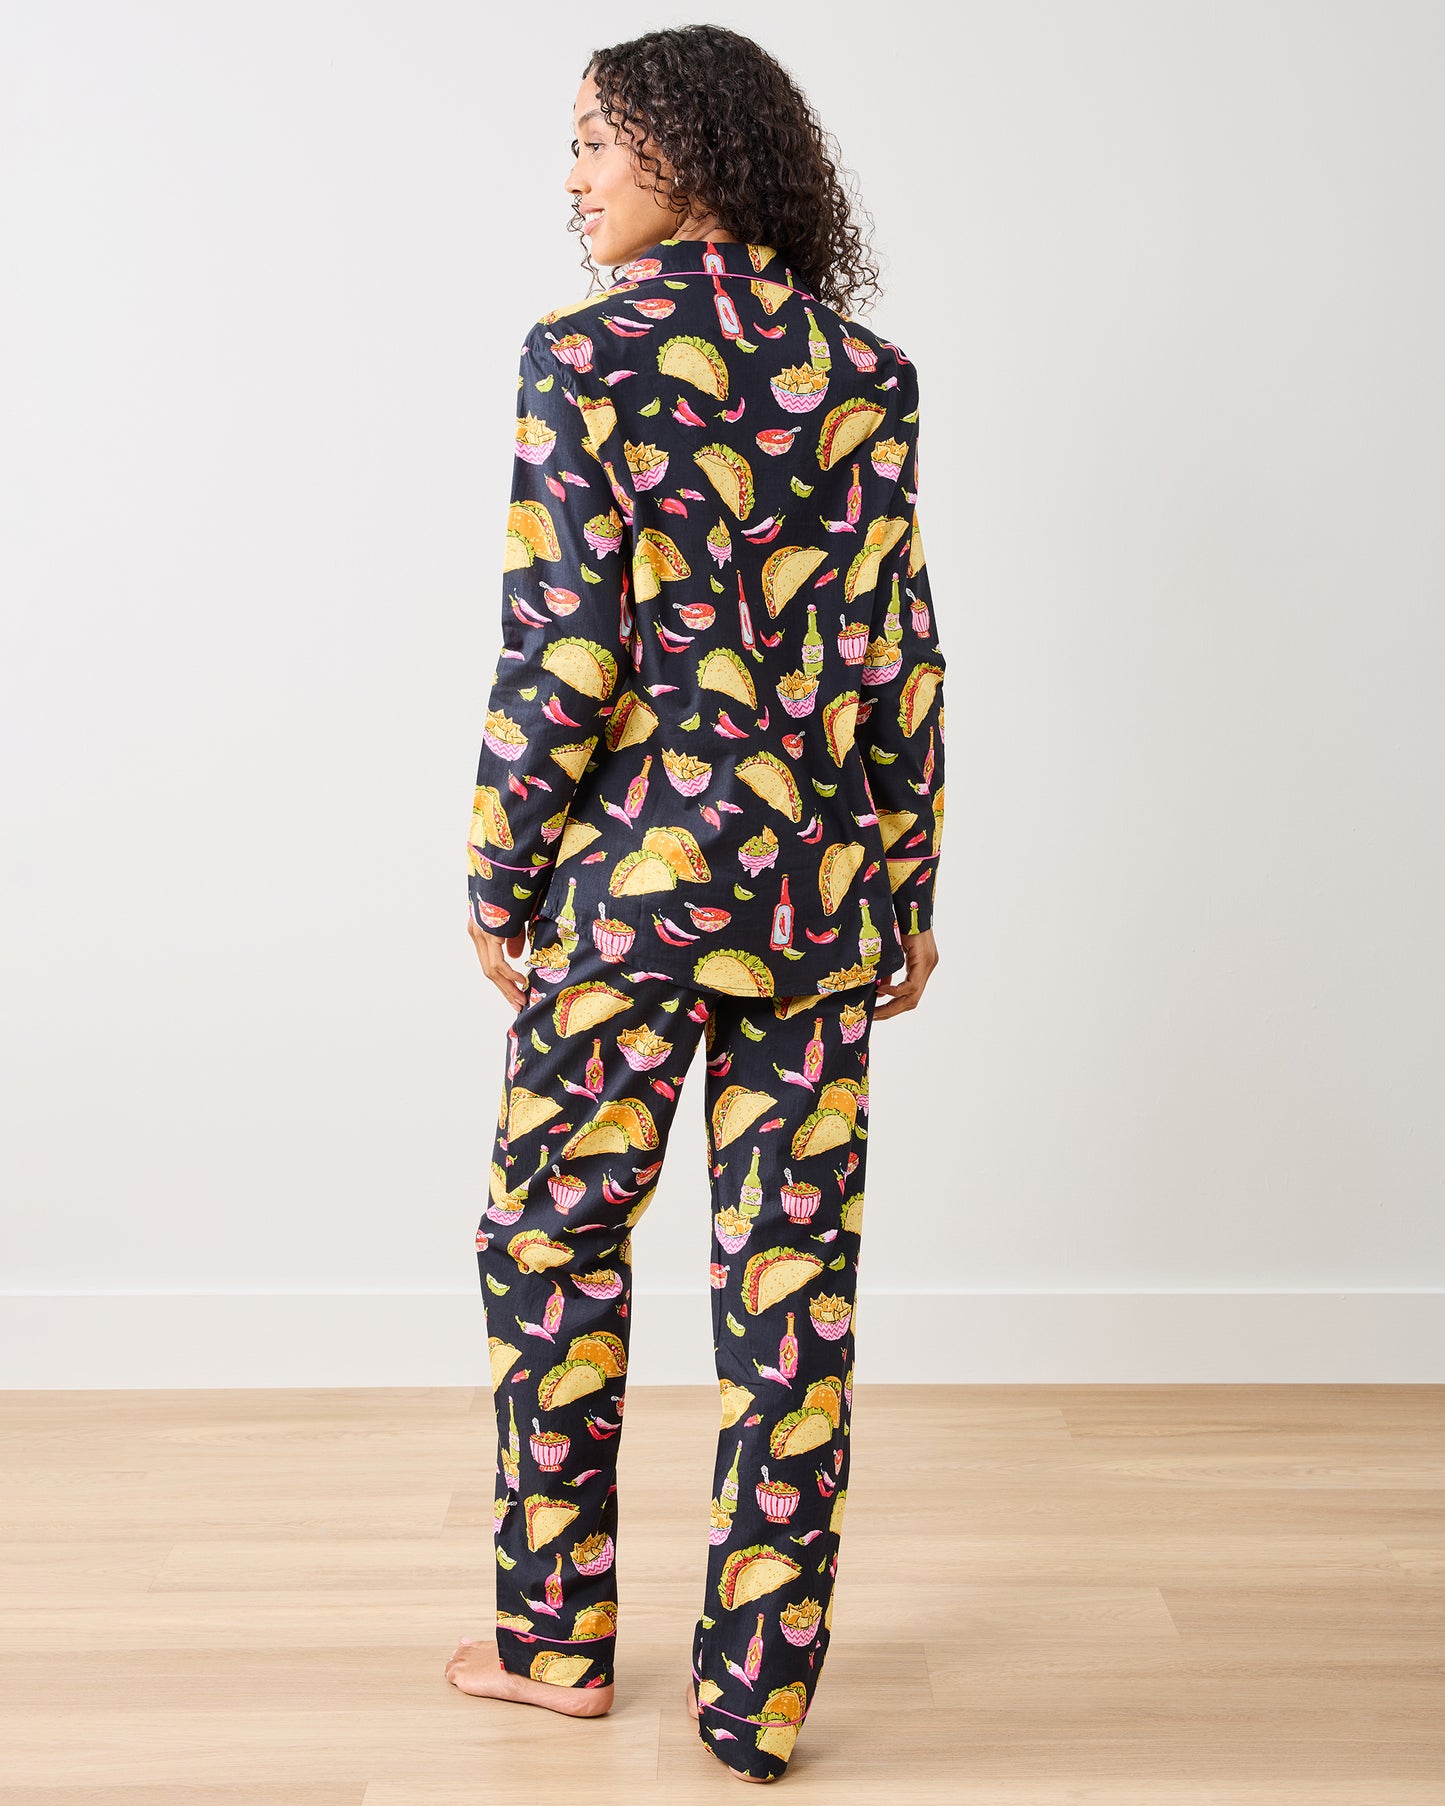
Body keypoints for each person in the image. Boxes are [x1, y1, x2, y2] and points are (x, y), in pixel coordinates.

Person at [446, 24, 946, 1783]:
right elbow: (893, 650)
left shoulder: (581, 355)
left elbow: (563, 646)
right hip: (812, 896)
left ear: (686, 149)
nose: (573, 175)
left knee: (551, 1246)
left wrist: (499, 868)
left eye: (596, 140)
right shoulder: (863, 374)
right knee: (790, 1291)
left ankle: (553, 1641)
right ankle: (756, 1701)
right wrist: (905, 881)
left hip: (630, 900)